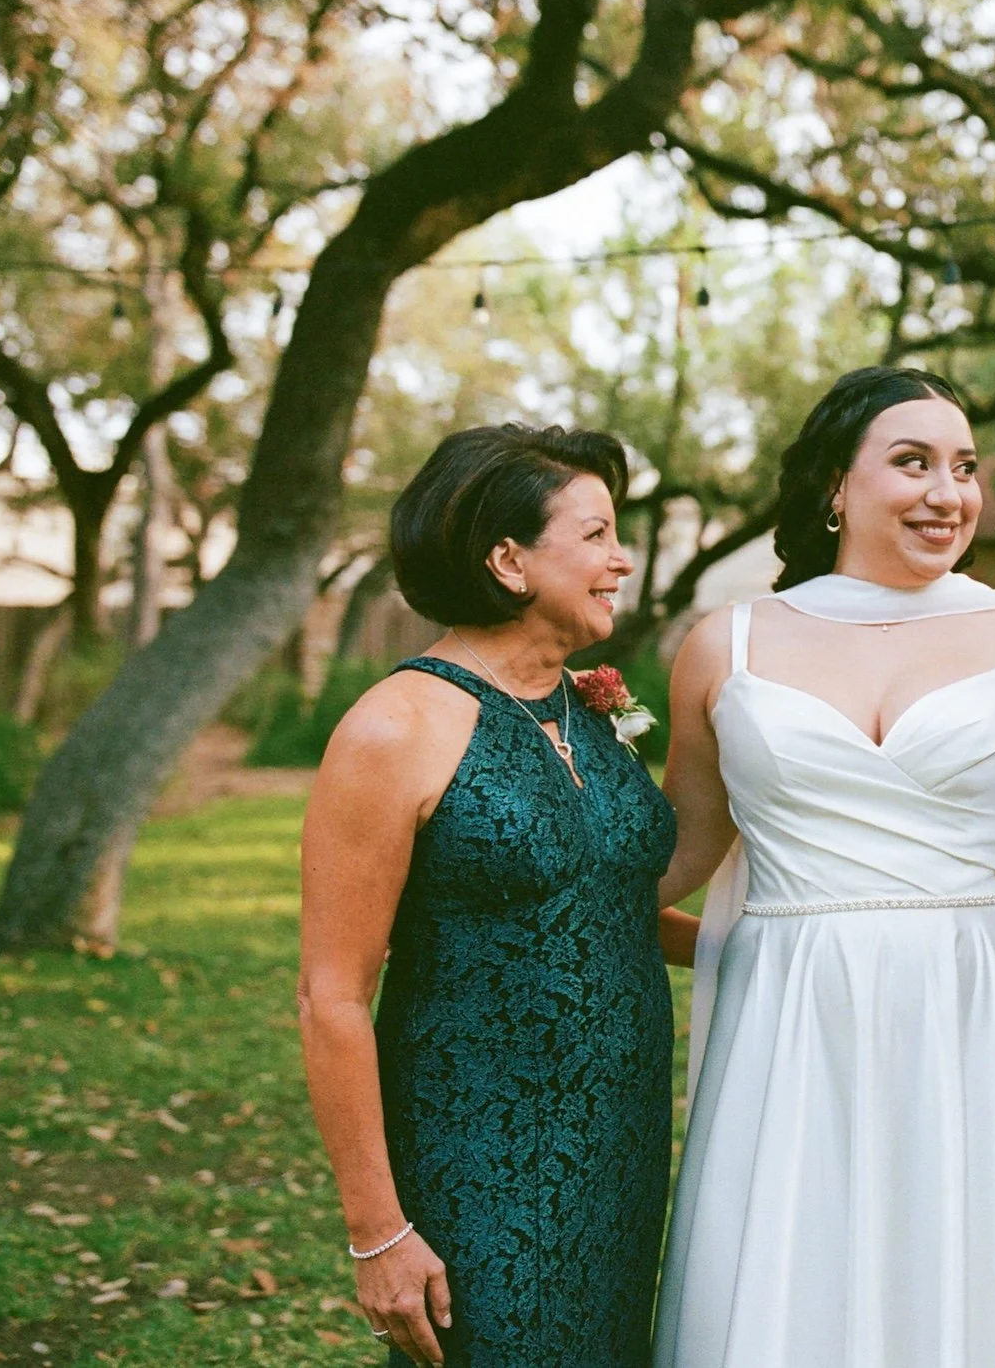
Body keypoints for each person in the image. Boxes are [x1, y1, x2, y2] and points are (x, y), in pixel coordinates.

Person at [651, 366, 995, 1368]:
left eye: (965, 468)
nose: (949, 493)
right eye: (913, 462)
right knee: (801, 1290)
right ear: (836, 487)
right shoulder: (726, 644)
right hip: (797, 1023)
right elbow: (681, 853)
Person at [298, 424, 678, 1368]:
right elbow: (332, 995)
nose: (620, 559)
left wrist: (784, 945)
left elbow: (600, 907)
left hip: (619, 1140)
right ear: (509, 560)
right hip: (477, 1152)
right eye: (594, 536)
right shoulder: (397, 726)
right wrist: (378, 1231)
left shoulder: (587, 710)